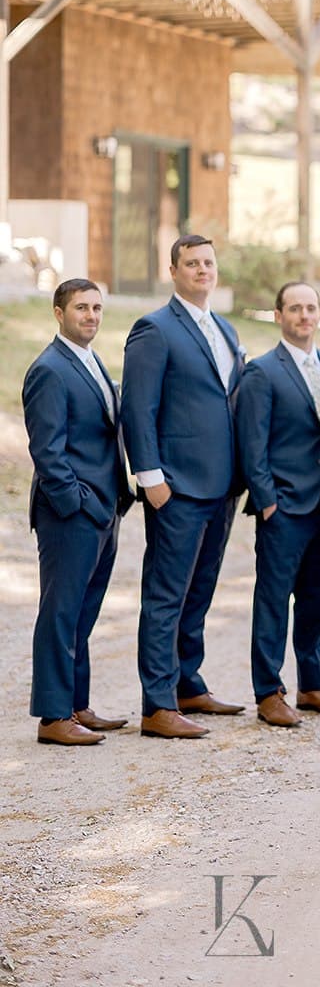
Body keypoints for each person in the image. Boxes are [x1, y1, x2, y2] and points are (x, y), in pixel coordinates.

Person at [122, 234, 245, 738]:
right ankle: (157, 704)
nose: (202, 270)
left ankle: (187, 683)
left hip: (222, 487)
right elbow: (138, 407)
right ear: (173, 271)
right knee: (166, 594)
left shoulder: (225, 328)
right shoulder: (154, 329)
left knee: (200, 590)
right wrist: (151, 478)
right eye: (191, 263)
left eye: (208, 262)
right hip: (175, 486)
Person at [23, 279, 133, 745]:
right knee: (61, 613)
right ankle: (52, 717)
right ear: (58, 313)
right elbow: (47, 452)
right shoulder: (49, 368)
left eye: (96, 307)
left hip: (104, 510)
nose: (91, 315)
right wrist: (78, 505)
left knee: (84, 613)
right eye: (81, 307)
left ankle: (76, 705)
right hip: (71, 514)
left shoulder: (90, 360)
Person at [236, 281, 320, 728]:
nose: (304, 316)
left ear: (319, 315)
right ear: (279, 315)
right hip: (283, 505)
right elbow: (252, 444)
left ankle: (311, 685)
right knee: (273, 600)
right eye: (295, 309)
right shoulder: (262, 372)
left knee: (315, 599)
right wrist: (267, 502)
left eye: (311, 308)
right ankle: (268, 691)